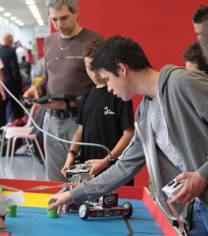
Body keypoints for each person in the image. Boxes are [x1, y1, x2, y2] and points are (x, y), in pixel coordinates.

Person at [49, 36, 208, 235]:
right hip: (197, 210)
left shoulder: (183, 83)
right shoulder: (144, 114)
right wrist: (75, 195)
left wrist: (202, 174)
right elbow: (125, 166)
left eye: (107, 79)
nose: (108, 87)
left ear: (122, 69)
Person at [24, 0, 103, 181]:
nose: (59, 25)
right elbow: (47, 75)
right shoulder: (50, 41)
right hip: (51, 120)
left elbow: (104, 84)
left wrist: (78, 103)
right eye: (54, 20)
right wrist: (36, 88)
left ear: (76, 12)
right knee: (55, 180)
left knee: (82, 180)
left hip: (80, 121)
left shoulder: (94, 40)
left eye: (64, 18)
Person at [60, 40, 135, 178]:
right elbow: (80, 130)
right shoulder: (88, 93)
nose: (94, 74)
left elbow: (129, 133)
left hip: (115, 170)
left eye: (98, 68)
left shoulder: (119, 92)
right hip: (89, 169)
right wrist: (71, 154)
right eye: (90, 68)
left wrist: (107, 160)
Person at [0, 33, 24, 123]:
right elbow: (15, 70)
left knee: (3, 109)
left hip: (1, 84)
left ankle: (3, 130)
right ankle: (17, 126)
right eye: (12, 39)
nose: (13, 41)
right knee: (16, 108)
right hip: (12, 84)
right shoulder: (11, 51)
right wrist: (20, 87)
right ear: (9, 40)